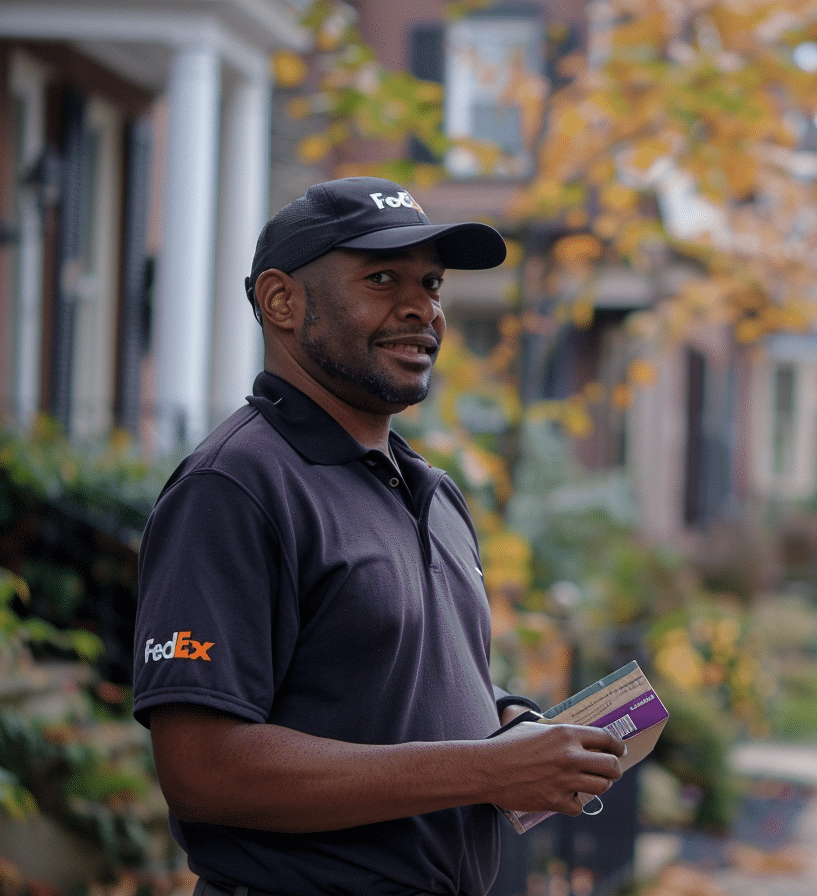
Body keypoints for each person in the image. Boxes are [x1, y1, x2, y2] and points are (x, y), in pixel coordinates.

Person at [131, 176, 625, 896]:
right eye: (383, 277)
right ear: (282, 301)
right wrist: (486, 769)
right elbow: (203, 770)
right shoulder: (235, 487)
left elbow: (387, 673)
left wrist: (507, 719)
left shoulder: (431, 492)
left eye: (432, 283)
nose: (421, 307)